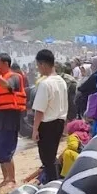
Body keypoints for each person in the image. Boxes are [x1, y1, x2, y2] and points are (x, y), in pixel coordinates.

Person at [0, 53, 27, 189]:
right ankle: (5, 178)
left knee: (7, 150)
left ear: (5, 64)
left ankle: (12, 179)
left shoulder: (14, 77)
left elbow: (7, 85)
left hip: (10, 119)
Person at [32, 49, 68, 183]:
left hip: (47, 124)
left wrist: (35, 129)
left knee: (47, 159)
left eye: (38, 65)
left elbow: (40, 110)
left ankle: (53, 183)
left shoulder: (45, 83)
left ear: (43, 64)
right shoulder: (61, 81)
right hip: (59, 122)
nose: (38, 69)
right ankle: (55, 181)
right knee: (52, 156)